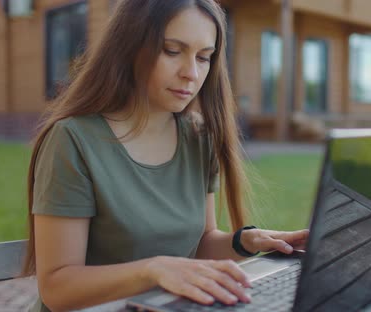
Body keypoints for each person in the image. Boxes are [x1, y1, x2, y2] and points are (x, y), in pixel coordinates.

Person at [22, 1, 309, 311]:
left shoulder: (199, 138)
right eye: (172, 51)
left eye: (204, 57)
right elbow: (57, 288)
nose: (191, 73)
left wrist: (246, 242)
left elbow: (201, 244)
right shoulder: (73, 141)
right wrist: (152, 270)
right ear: (129, 46)